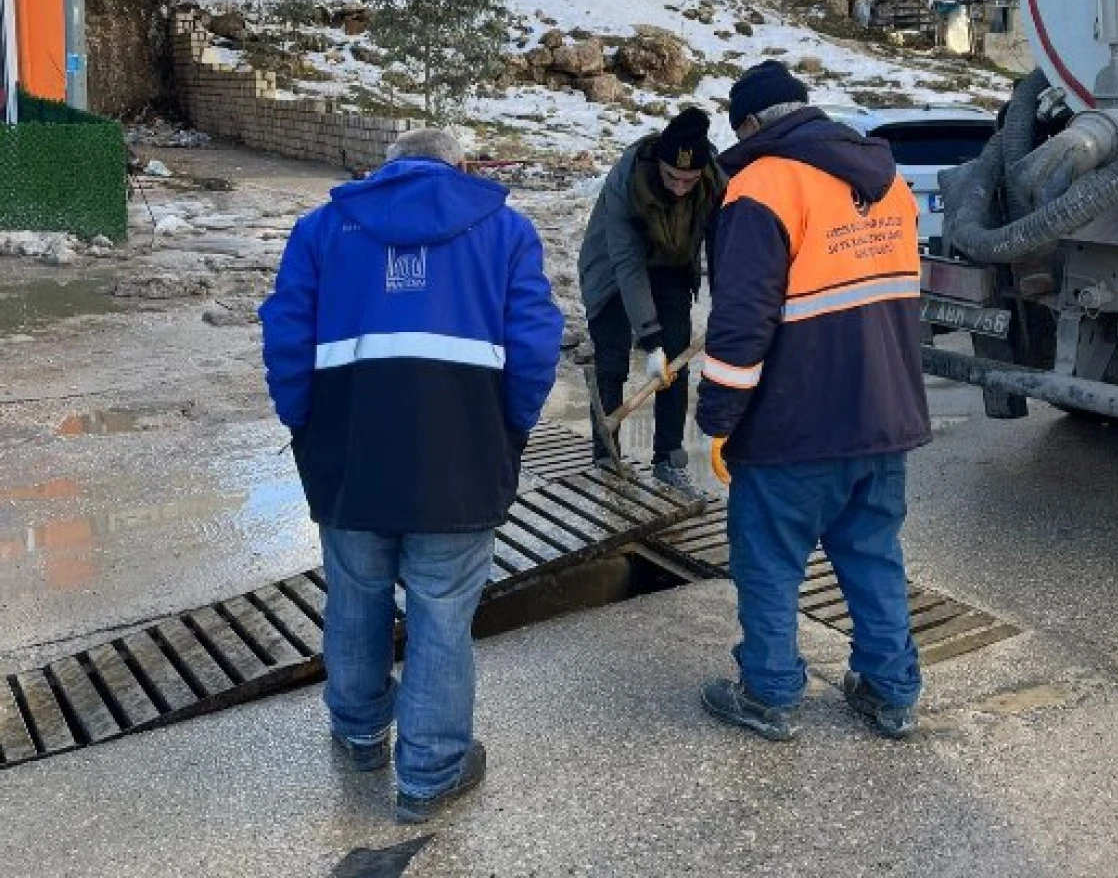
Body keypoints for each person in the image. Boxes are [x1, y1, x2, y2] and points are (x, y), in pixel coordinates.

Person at [260, 128, 563, 822]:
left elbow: (286, 336)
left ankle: (361, 733)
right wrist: (507, 429)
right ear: (458, 167)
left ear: (386, 170)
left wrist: (305, 426)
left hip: (350, 453)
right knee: (443, 612)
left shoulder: (322, 229)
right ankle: (431, 771)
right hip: (460, 457)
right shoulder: (506, 232)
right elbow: (535, 346)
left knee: (355, 596)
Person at [695, 61, 931, 741]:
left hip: (794, 424)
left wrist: (718, 418)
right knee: (872, 553)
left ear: (748, 124)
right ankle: (891, 691)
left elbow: (742, 321)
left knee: (769, 561)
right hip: (883, 416)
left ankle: (769, 694)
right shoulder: (890, 184)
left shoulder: (762, 184)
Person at [577, 107, 726, 496]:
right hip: (612, 268)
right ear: (659, 162)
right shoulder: (628, 180)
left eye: (689, 180)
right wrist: (649, 340)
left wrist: (728, 301)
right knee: (611, 360)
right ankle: (606, 458)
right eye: (672, 176)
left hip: (670, 266)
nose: (680, 187)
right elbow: (627, 266)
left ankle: (668, 460)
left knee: (675, 363)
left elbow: (723, 243)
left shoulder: (714, 181)